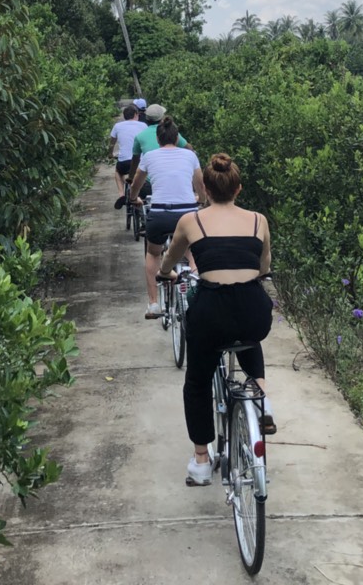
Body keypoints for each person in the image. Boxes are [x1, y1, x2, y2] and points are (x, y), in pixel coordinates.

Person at [158, 153, 274, 487]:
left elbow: (170, 260)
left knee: (197, 382)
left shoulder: (191, 221)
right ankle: (262, 399)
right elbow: (264, 267)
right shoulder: (258, 220)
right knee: (248, 336)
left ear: (205, 190)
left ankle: (201, 462)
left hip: (211, 312)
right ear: (238, 189)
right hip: (253, 310)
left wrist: (166, 274)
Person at [127, 116, 202, 320]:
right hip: (188, 213)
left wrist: (133, 198)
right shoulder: (190, 156)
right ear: (177, 138)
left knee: (153, 253)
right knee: (191, 249)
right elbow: (200, 184)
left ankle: (153, 304)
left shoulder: (149, 156)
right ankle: (198, 285)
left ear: (158, 140)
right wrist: (201, 199)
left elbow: (136, 183)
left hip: (159, 214)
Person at [108, 104, 147, 199]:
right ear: (135, 114)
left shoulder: (117, 126)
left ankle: (121, 194)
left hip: (124, 162)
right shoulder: (143, 125)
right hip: (139, 162)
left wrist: (110, 154)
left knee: (118, 172)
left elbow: (112, 143)